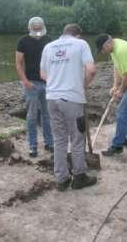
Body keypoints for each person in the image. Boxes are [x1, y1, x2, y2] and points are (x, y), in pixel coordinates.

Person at [40, 23, 97, 191]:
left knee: (59, 140)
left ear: (63, 33)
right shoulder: (81, 44)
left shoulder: (48, 47)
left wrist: (57, 81)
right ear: (78, 35)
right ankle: (79, 176)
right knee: (77, 138)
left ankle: (61, 179)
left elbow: (43, 74)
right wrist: (83, 84)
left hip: (51, 98)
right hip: (72, 98)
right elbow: (91, 70)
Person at [15, 17, 54, 158]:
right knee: (31, 116)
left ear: (43, 27)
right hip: (31, 82)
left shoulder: (48, 39)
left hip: (47, 82)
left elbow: (53, 61)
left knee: (47, 114)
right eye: (35, 28)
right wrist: (25, 81)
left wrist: (53, 80)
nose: (38, 31)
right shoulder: (23, 41)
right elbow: (19, 63)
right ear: (30, 28)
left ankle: (49, 143)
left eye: (39, 28)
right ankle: (32, 146)